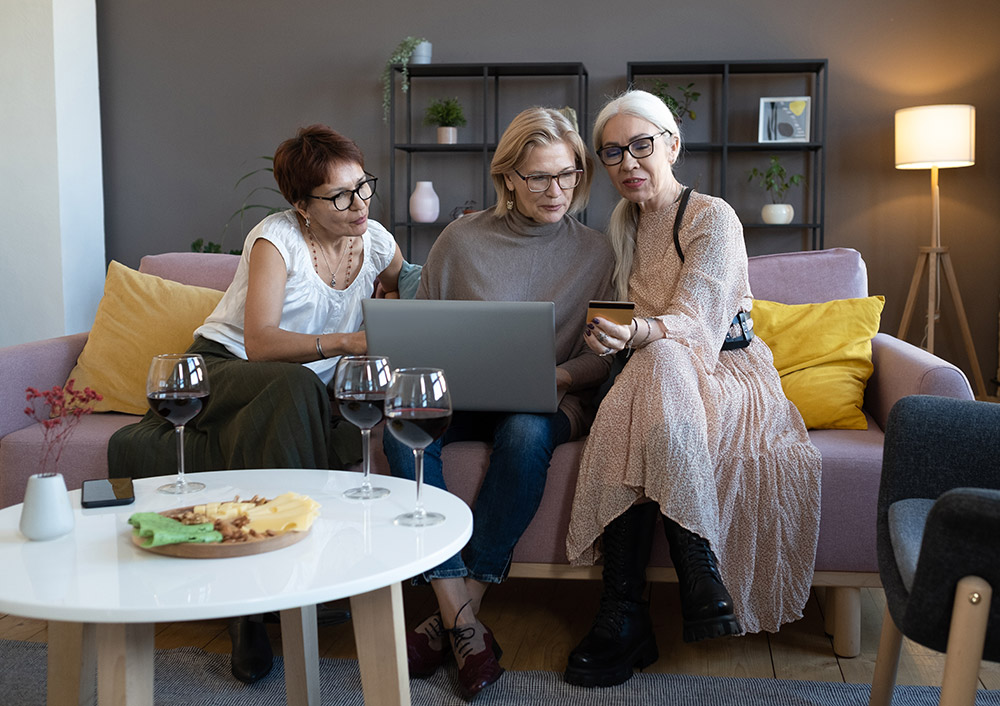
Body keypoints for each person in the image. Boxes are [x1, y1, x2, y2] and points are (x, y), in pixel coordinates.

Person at [108, 124, 403, 684]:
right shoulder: (275, 238)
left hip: (299, 389)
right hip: (222, 367)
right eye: (339, 196)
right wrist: (350, 341)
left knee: (314, 398)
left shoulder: (378, 240)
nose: (358, 204)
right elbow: (263, 343)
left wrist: (400, 302)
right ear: (301, 204)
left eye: (364, 187)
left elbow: (410, 286)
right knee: (295, 388)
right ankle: (257, 606)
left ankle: (261, 591)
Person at [562, 90, 822, 688]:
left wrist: (638, 337)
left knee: (664, 359)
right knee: (651, 368)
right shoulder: (622, 228)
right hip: (656, 382)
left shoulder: (711, 216)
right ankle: (694, 569)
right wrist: (600, 347)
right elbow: (621, 330)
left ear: (672, 146)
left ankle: (625, 610)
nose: (627, 162)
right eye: (611, 153)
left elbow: (697, 321)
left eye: (640, 145)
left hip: (725, 374)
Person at [384, 107, 615, 700]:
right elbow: (422, 333)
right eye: (538, 177)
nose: (556, 190)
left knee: (524, 433)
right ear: (508, 177)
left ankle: (451, 618)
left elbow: (607, 357)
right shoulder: (460, 240)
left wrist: (559, 376)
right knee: (401, 424)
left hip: (547, 399)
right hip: (461, 393)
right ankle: (463, 618)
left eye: (567, 175)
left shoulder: (599, 252)